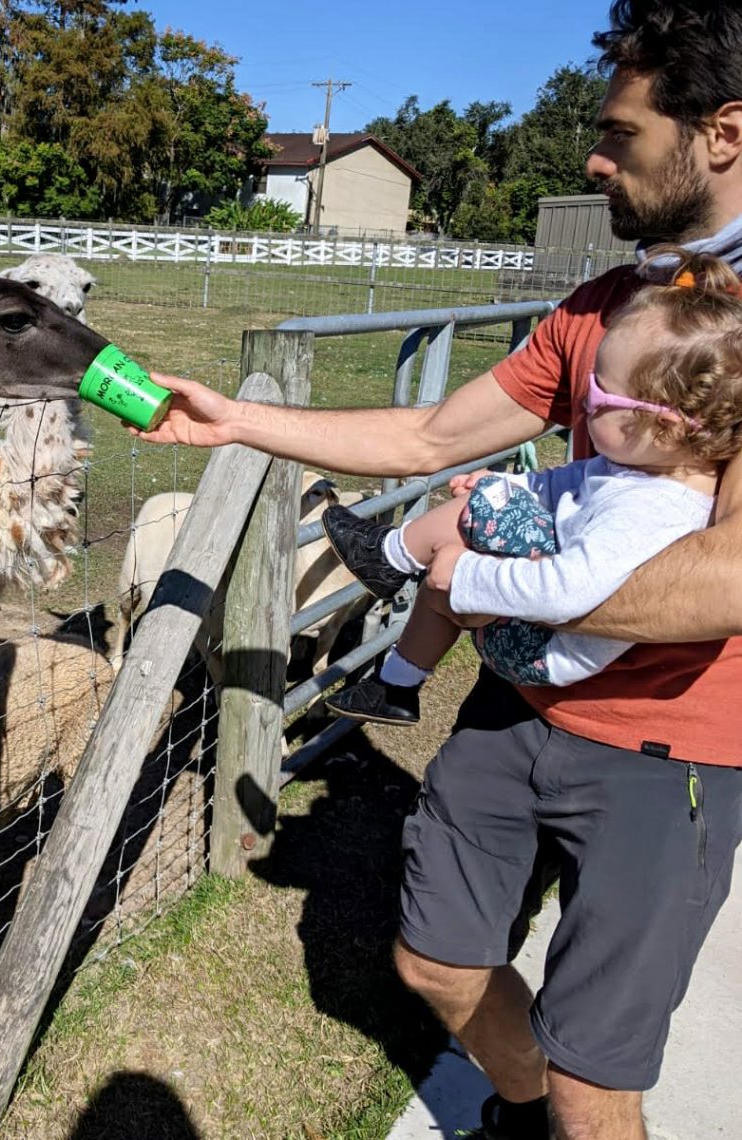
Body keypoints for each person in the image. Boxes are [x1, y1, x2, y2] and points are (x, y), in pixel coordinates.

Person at [132, 4, 742, 1138]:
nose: (596, 160)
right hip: (519, 703)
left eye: (620, 135)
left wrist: (476, 580)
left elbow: (729, 579)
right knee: (437, 964)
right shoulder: (600, 312)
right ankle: (515, 1113)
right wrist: (239, 422)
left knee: (596, 1072)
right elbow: (426, 442)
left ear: (724, 134)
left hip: (672, 750)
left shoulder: (730, 352)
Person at [320, 248, 742, 727]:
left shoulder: (650, 509)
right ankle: (395, 679)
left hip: (544, 650)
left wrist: (464, 576)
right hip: (542, 627)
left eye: (598, 393)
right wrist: (505, 484)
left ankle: (391, 565)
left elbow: (567, 594)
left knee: (467, 531)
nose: (583, 400)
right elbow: (560, 482)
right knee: (487, 508)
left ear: (662, 423)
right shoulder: (639, 468)